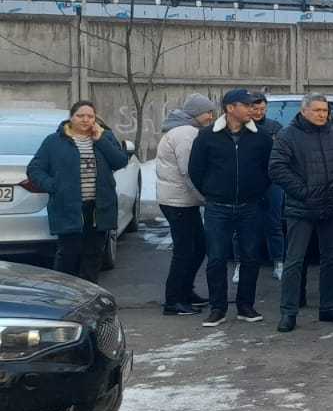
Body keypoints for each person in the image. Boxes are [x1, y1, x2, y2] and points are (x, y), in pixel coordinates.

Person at [188, 89, 274, 325]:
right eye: (246, 105)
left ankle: (246, 306)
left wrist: (257, 190)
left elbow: (270, 169)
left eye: (253, 105)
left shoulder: (261, 137)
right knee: (216, 259)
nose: (252, 109)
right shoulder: (207, 136)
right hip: (218, 207)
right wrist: (212, 191)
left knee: (250, 257)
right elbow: (195, 170)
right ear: (230, 108)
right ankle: (218, 308)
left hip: (250, 207)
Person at [270, 93, 333, 332]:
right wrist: (303, 192)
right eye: (317, 110)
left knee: (331, 258)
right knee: (294, 260)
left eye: (325, 111)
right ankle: (288, 312)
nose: (322, 115)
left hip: (331, 207)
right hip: (301, 208)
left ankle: (329, 307)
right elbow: (277, 168)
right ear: (304, 111)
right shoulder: (288, 135)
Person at [28, 100, 131, 285]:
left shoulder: (105, 137)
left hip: (98, 208)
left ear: (95, 119)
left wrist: (100, 139)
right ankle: (64, 292)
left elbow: (120, 161)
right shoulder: (54, 141)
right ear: (71, 118)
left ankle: (90, 293)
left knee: (94, 254)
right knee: (68, 254)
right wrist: (53, 186)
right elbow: (34, 169)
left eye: (90, 116)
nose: (85, 120)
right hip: (68, 207)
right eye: (80, 116)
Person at [155, 95, 215, 314]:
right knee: (185, 251)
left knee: (198, 247)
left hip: (182, 201)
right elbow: (189, 171)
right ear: (195, 113)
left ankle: (185, 292)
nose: (211, 116)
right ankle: (174, 301)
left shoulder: (184, 130)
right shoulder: (185, 133)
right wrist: (205, 198)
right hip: (179, 202)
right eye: (207, 112)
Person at [247, 93, 286, 282]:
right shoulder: (242, 127)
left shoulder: (275, 127)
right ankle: (241, 263)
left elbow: (281, 154)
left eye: (262, 109)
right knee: (245, 225)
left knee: (274, 223)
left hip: (273, 182)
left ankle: (278, 262)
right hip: (248, 182)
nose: (258, 112)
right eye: (255, 109)